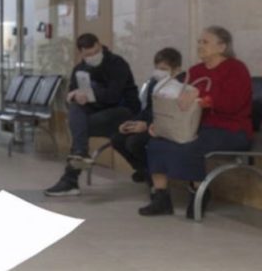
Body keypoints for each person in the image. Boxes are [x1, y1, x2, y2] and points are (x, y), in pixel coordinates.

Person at [139, 26, 253, 218]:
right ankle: (161, 198)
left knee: (190, 145)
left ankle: (199, 192)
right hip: (196, 126)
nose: (200, 45)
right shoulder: (195, 71)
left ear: (222, 46)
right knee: (157, 142)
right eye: (199, 42)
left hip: (232, 130)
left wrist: (201, 95)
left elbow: (233, 104)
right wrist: (164, 124)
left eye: (205, 42)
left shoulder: (236, 68)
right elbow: (180, 102)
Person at [44, 33, 141, 196]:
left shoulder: (117, 64)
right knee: (76, 109)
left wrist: (90, 95)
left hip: (123, 111)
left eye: (96, 51)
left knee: (79, 127)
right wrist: (74, 96)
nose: (93, 56)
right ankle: (78, 157)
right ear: (81, 53)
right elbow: (71, 93)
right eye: (88, 54)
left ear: (100, 45)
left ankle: (72, 175)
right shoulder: (80, 69)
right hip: (97, 113)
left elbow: (113, 96)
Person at [111, 47, 184, 185]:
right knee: (117, 139)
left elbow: (173, 115)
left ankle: (154, 177)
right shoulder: (155, 83)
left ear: (176, 70)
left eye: (163, 69)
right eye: (157, 68)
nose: (158, 72)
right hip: (150, 124)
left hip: (167, 128)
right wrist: (132, 122)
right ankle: (144, 170)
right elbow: (148, 109)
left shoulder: (181, 86)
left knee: (134, 142)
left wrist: (147, 125)